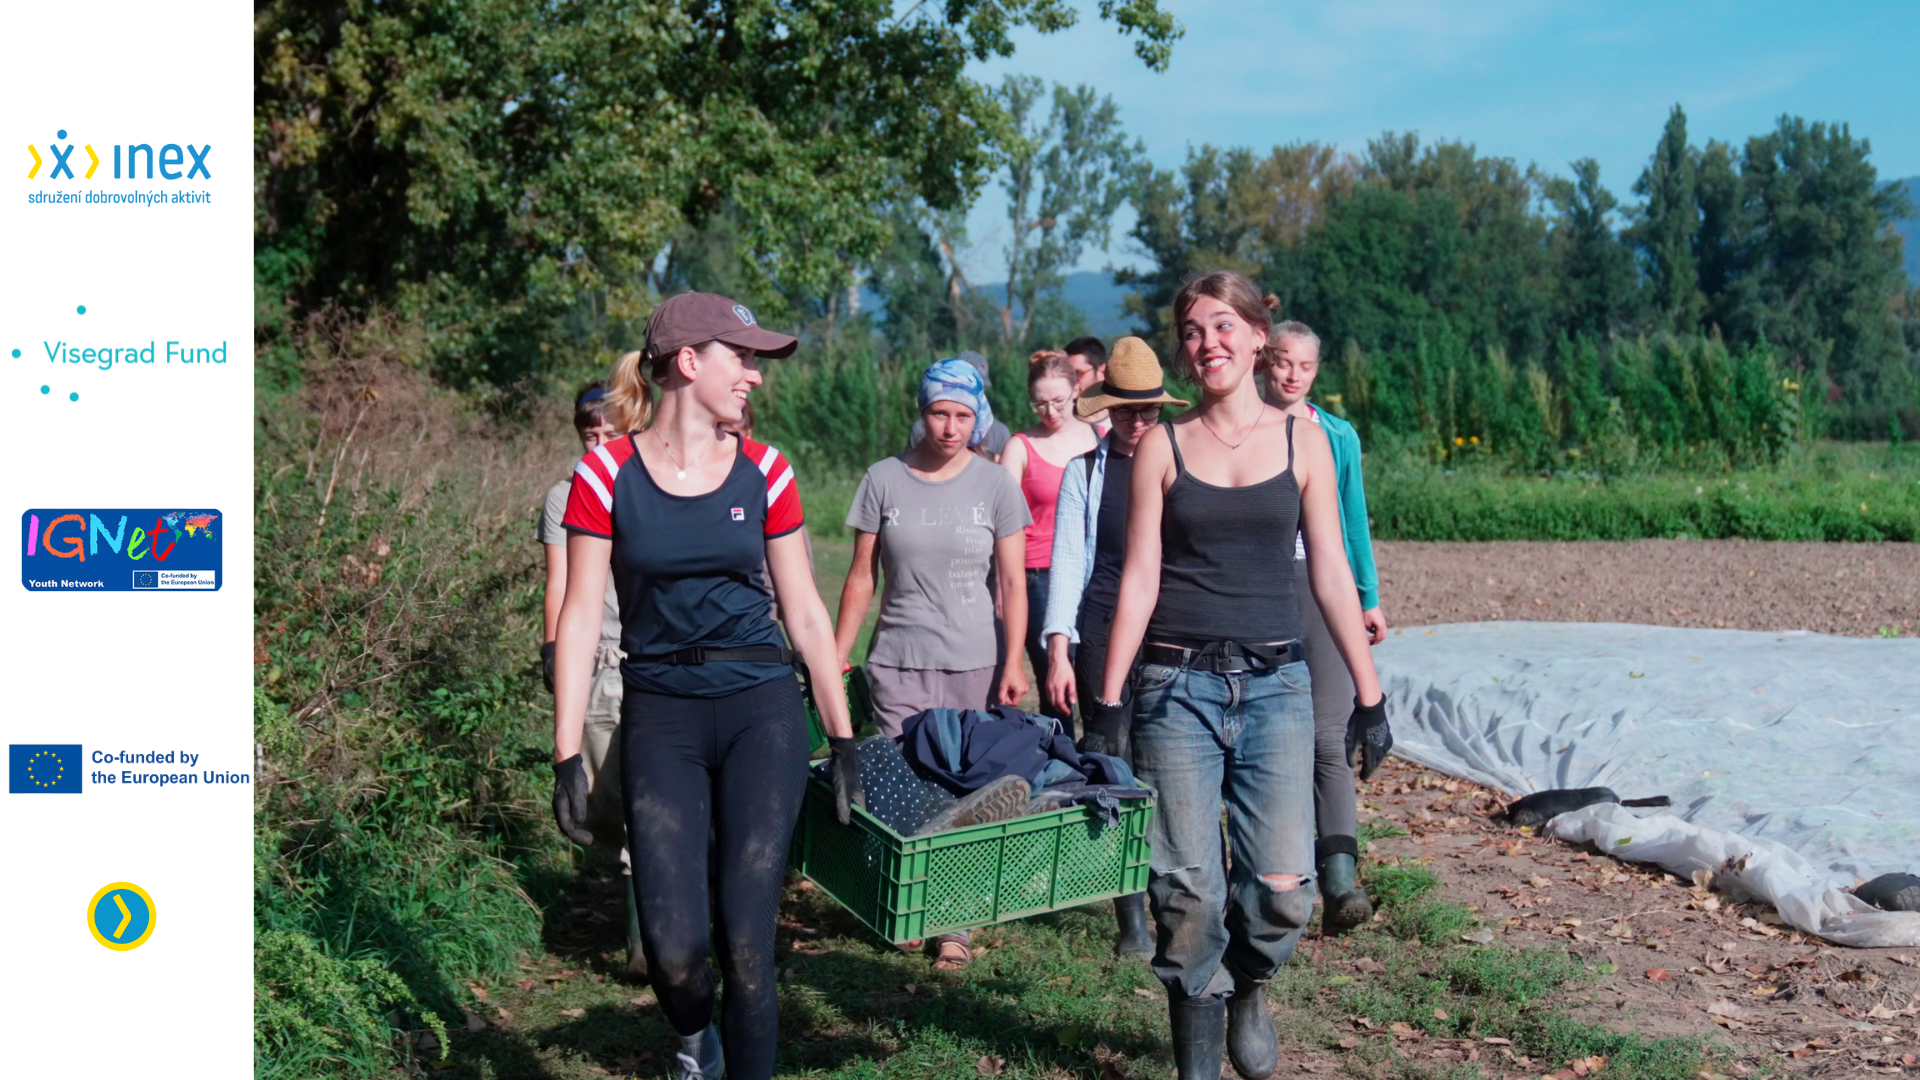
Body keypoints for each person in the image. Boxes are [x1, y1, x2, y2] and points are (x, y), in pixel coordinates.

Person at [551, 292, 862, 1080]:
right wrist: (565, 755)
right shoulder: (604, 474)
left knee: (749, 939)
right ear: (689, 363)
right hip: (661, 715)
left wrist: (845, 736)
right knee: (675, 949)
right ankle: (694, 1036)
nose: (755, 376)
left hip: (762, 710)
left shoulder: (766, 470)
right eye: (743, 357)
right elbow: (582, 615)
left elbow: (803, 610)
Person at [1091, 271, 1391, 1080]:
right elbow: (1141, 578)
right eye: (1192, 331)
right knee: (1184, 892)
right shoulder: (1164, 444)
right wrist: (1110, 698)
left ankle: (1248, 985)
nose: (1208, 343)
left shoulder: (1306, 444)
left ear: (1259, 335)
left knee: (1287, 892)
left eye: (1224, 326)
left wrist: (1369, 693)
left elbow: (1330, 572)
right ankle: (1196, 1052)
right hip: (1175, 687)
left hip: (1277, 691)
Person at [835, 357, 1031, 972]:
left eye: (962, 416)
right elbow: (862, 574)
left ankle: (956, 922)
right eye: (939, 413)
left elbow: (1012, 582)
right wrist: (837, 653)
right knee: (900, 785)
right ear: (922, 413)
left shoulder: (997, 485)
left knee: (960, 789)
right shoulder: (884, 478)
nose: (949, 427)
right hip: (897, 658)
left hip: (972, 660)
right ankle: (907, 905)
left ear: (980, 420)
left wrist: (1013, 659)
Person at [1042, 335, 1188, 959]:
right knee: (1113, 762)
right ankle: (1129, 913)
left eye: (1149, 410)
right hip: (1102, 628)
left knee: (1171, 764)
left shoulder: (1182, 465)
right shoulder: (1087, 471)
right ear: (1106, 408)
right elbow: (1069, 561)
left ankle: (1174, 898)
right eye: (1128, 411)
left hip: (1167, 629)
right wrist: (1057, 645)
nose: (1138, 422)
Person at [1261, 320, 1389, 936]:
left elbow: (1352, 519)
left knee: (1329, 736)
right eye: (1282, 362)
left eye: (1303, 366)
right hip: (1259, 585)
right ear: (1264, 362)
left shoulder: (1337, 435)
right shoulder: (1244, 429)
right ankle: (1269, 874)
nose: (1291, 374)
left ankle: (1340, 874)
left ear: (1315, 371)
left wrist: (1368, 596)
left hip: (1324, 586)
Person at [538, 379, 646, 978]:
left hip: (652, 660)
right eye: (590, 434)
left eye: (609, 431)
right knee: (607, 803)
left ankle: (644, 943)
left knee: (645, 804)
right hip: (600, 661)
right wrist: (554, 645)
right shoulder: (565, 496)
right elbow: (560, 581)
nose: (599, 441)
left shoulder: (647, 484)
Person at [1000, 353, 1100, 730]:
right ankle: (1058, 763)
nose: (1050, 411)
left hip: (1090, 574)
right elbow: (1003, 524)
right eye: (1040, 403)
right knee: (1056, 685)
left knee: (1093, 679)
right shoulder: (1020, 446)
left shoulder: (1098, 438)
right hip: (1038, 575)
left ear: (1077, 391)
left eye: (1058, 401)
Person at [906, 349, 1012, 459]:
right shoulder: (922, 430)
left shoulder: (999, 432)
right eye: (961, 385)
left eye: (977, 387)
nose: (951, 430)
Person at [1063, 335, 1109, 426]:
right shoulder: (1060, 422)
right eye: (1066, 375)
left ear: (1102, 372)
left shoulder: (1125, 420)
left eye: (1078, 374)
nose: (1071, 382)